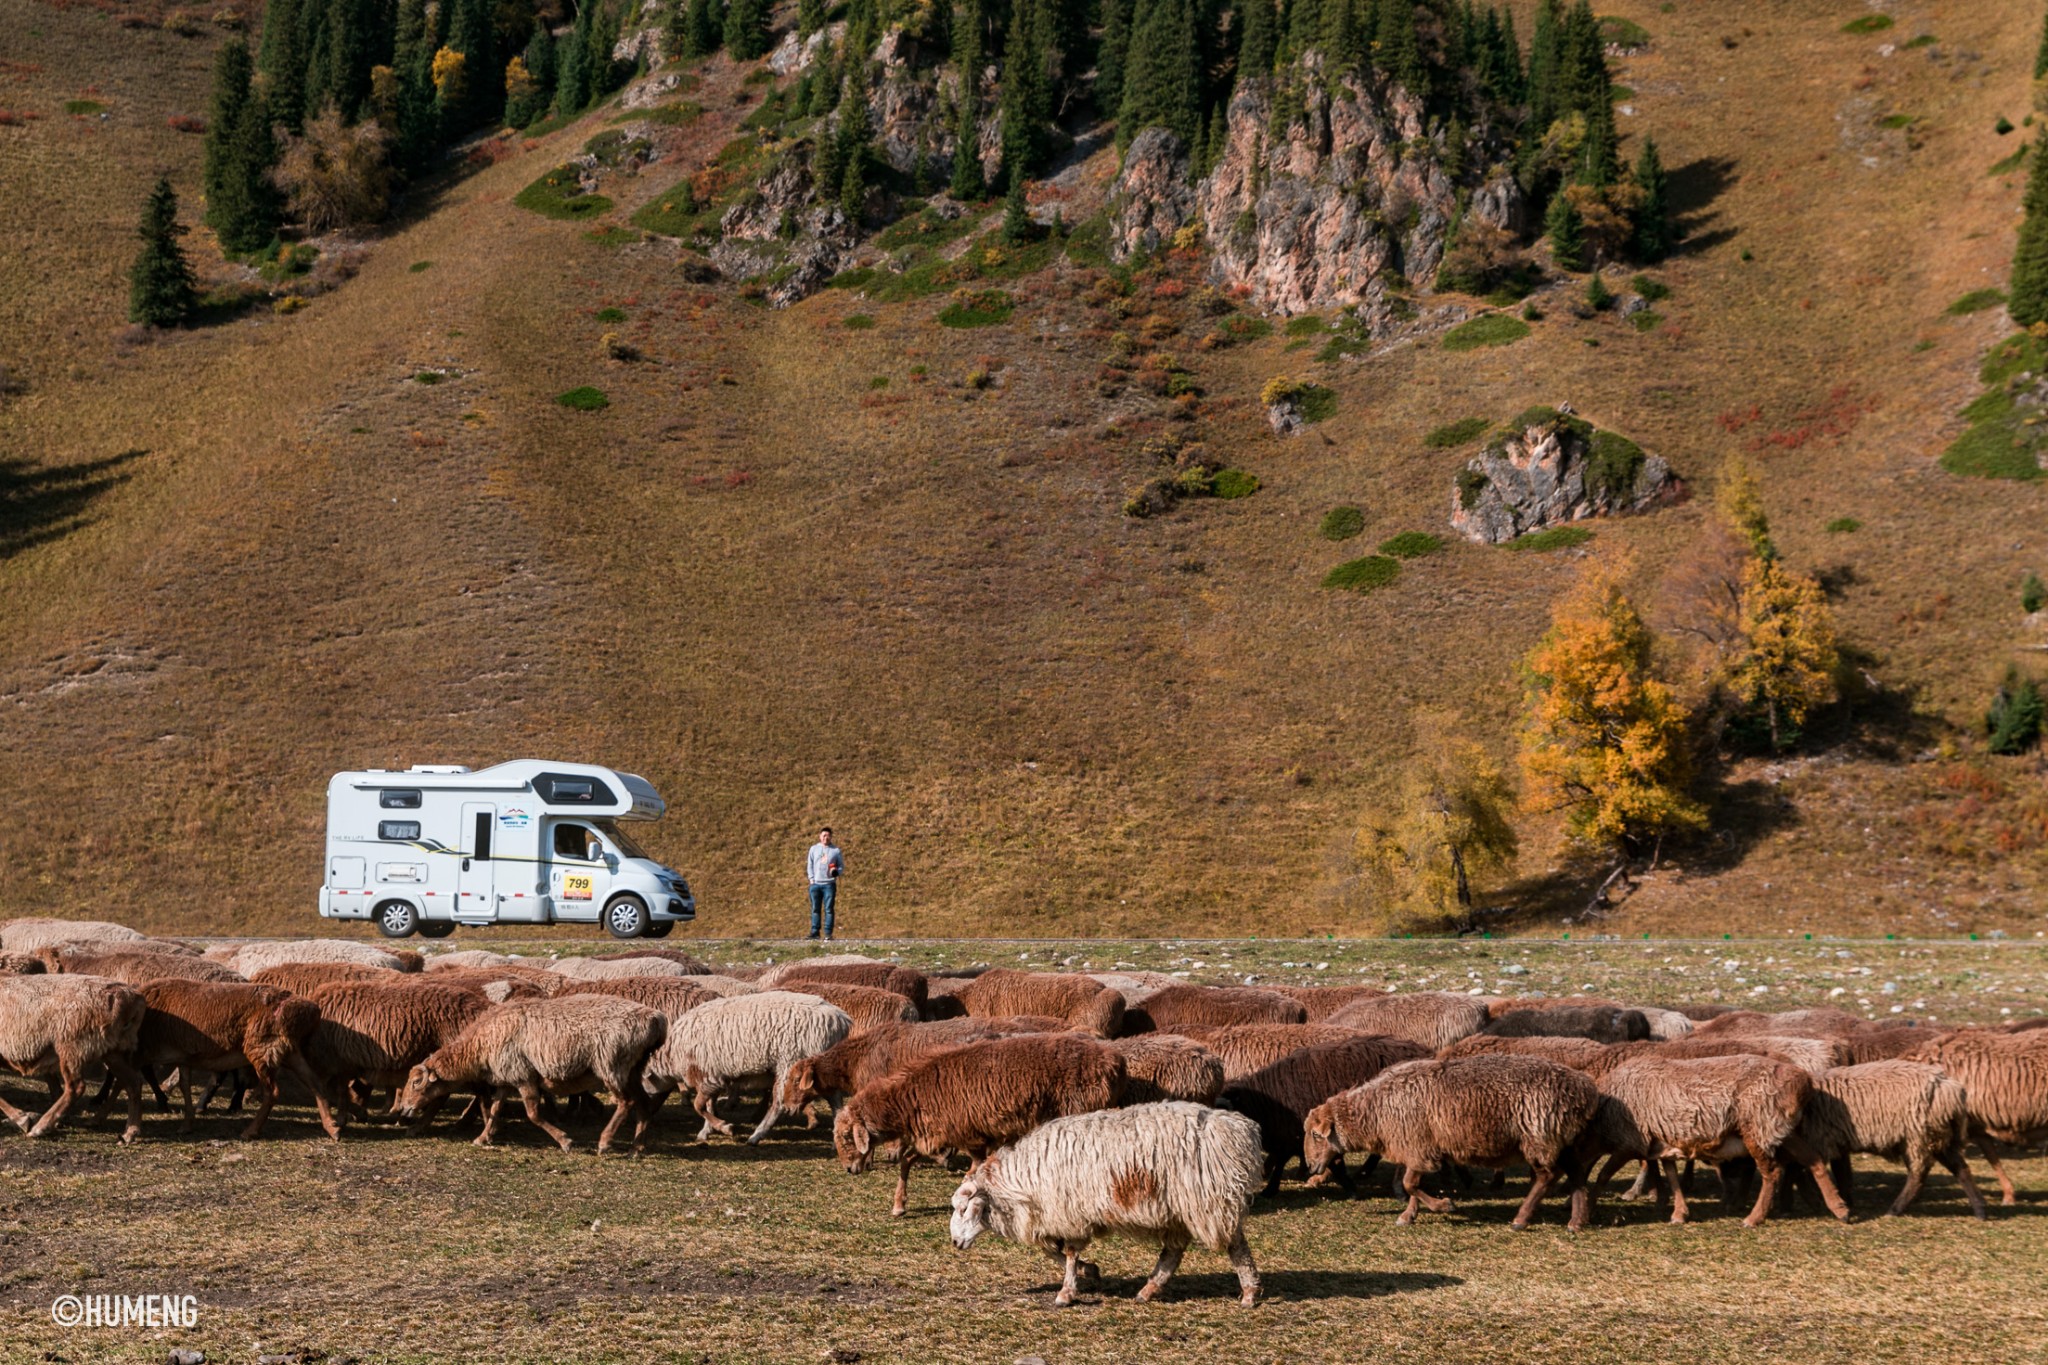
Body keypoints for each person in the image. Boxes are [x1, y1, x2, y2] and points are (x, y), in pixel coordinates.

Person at [806, 827, 844, 940]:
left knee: (829, 909)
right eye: (823, 835)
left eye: (828, 835)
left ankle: (828, 933)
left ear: (831, 837)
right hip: (815, 884)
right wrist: (811, 879)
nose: (825, 838)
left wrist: (836, 873)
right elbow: (810, 865)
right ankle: (815, 932)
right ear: (820, 836)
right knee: (815, 908)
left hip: (829, 884)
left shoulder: (835, 850)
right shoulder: (813, 849)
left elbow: (841, 866)